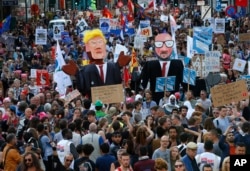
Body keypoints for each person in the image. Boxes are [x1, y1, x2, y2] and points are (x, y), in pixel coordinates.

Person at [62, 29, 130, 97]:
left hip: (111, 102)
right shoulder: (85, 70)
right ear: (87, 49)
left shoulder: (112, 66)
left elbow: (118, 81)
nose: (97, 47)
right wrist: (76, 74)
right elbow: (81, 89)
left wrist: (119, 65)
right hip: (94, 104)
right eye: (93, 43)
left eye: (100, 42)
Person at [140, 33, 184, 104]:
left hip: (173, 98)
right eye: (159, 45)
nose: (164, 49)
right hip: (156, 98)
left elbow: (183, 80)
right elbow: (143, 81)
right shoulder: (150, 64)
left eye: (168, 44)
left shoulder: (178, 64)